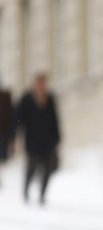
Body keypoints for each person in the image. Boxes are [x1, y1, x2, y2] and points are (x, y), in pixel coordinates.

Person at [16, 73, 61, 205]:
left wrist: (57, 137)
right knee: (32, 167)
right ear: (34, 84)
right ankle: (26, 189)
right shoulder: (26, 99)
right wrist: (17, 134)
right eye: (39, 83)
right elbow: (19, 118)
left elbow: (55, 120)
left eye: (43, 83)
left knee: (47, 168)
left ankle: (42, 193)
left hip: (47, 141)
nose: (41, 86)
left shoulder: (50, 99)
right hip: (32, 140)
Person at [0, 81, 15, 188]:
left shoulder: (6, 96)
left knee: (2, 158)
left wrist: (12, 137)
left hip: (3, 134)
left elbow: (12, 117)